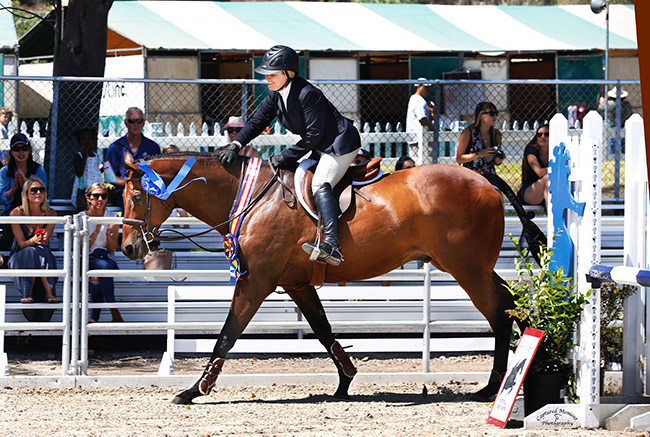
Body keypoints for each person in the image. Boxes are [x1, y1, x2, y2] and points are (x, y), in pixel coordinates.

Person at [217, 45, 361, 266]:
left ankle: (332, 245)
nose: (268, 79)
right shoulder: (276, 95)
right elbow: (257, 123)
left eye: (272, 74)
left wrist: (286, 156)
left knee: (320, 183)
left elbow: (313, 135)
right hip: (321, 144)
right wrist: (235, 145)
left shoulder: (308, 94)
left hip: (339, 144)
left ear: (288, 73)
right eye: (267, 75)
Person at [8, 177, 59, 303]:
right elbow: (21, 244)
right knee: (32, 250)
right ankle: (39, 292)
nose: (38, 193)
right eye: (34, 190)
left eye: (42, 190)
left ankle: (46, 292)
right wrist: (33, 240)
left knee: (41, 250)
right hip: (20, 255)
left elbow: (45, 242)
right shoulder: (16, 213)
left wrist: (42, 240)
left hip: (42, 252)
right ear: (26, 194)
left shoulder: (51, 213)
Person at [79, 183, 123, 323]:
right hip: (87, 258)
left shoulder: (112, 217)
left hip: (105, 257)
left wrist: (110, 233)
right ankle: (113, 309)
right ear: (88, 198)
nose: (100, 199)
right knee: (99, 270)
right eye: (96, 196)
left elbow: (111, 249)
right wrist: (97, 229)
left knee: (98, 275)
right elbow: (82, 249)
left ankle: (94, 318)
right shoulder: (80, 218)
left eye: (103, 196)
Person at [105, 107, 161, 210]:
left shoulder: (153, 147)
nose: (135, 125)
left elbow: (159, 173)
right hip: (124, 190)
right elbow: (109, 176)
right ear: (126, 123)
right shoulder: (115, 147)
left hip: (149, 191)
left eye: (139, 121)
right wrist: (129, 183)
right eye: (131, 121)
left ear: (143, 123)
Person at [0, 133, 48, 216]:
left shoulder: (39, 170)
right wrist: (14, 188)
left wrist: (27, 185)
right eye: (16, 149)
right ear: (11, 152)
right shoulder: (4, 171)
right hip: (10, 214)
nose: (21, 152)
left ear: (29, 150)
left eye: (24, 148)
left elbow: (42, 196)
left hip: (34, 214)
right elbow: (2, 200)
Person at [455, 101, 505, 174]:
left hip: (489, 175)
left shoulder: (496, 135)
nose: (494, 116)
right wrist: (479, 154)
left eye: (495, 113)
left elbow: (496, 163)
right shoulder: (468, 132)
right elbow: (459, 159)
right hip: (471, 175)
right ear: (480, 115)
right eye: (491, 113)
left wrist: (498, 160)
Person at [72, 128, 103, 212]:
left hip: (95, 185)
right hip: (83, 186)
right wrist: (84, 157)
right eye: (84, 139)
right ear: (79, 142)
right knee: (83, 207)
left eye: (90, 138)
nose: (87, 141)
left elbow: (95, 170)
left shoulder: (95, 155)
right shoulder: (79, 156)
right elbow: (79, 172)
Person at [517, 125, 549, 206]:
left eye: (547, 134)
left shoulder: (556, 151)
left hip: (548, 190)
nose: (542, 137)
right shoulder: (531, 150)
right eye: (539, 134)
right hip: (529, 191)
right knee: (548, 177)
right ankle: (552, 216)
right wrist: (554, 170)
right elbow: (539, 173)